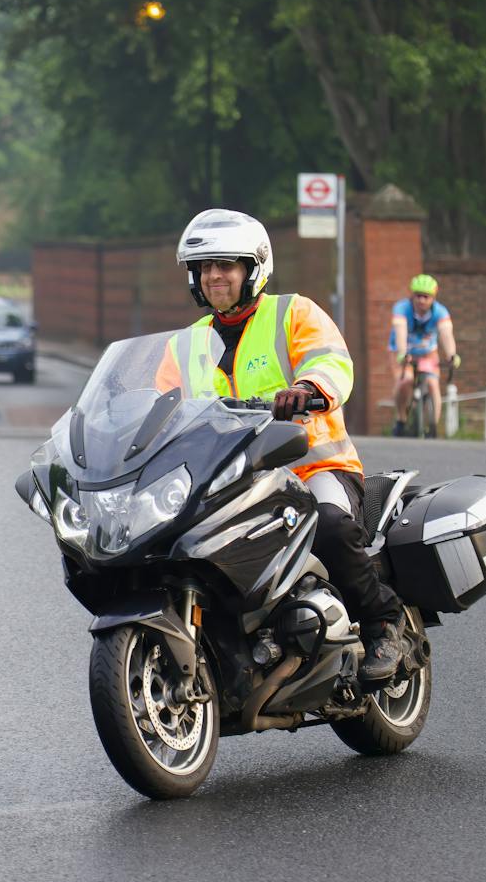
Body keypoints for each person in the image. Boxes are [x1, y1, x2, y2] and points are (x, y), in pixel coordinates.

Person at [155, 208, 409, 681]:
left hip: (313, 469)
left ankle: (382, 623)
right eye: (205, 267)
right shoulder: (184, 346)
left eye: (226, 265)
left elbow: (332, 362)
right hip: (227, 484)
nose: (214, 276)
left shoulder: (293, 312)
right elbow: (159, 405)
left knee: (329, 525)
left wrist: (309, 388)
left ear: (253, 269)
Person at [388, 273, 458, 437]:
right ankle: (401, 419)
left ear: (433, 298)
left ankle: (433, 426)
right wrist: (402, 353)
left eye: (426, 297)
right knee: (406, 380)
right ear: (412, 296)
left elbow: (446, 334)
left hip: (427, 353)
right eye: (418, 296)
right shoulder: (401, 308)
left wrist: (452, 355)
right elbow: (400, 331)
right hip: (402, 352)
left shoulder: (440, 312)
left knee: (433, 383)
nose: (421, 300)